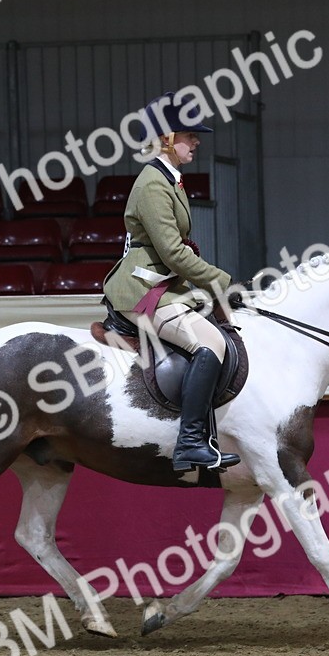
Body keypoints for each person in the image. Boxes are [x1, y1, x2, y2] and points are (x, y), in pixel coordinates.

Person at [102, 92, 240, 473]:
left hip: (163, 284)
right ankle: (191, 442)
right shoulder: (152, 185)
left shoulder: (170, 180)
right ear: (166, 138)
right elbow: (174, 253)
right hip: (142, 288)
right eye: (189, 135)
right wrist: (222, 281)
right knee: (210, 342)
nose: (196, 141)